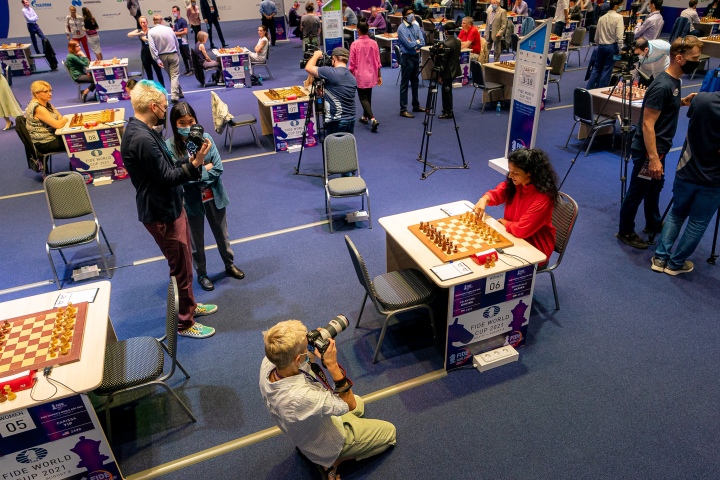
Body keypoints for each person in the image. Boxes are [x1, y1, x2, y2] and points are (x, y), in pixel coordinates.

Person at [122, 80, 218, 339]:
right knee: (181, 270)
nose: (166, 110)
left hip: (170, 208)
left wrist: (187, 161)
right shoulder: (141, 138)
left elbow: (164, 167)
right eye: (164, 107)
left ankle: (191, 306)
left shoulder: (140, 129)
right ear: (153, 106)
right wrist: (196, 163)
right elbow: (167, 177)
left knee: (185, 263)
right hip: (162, 213)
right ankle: (185, 323)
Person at [260, 320, 397, 479]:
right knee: (390, 434)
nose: (309, 344)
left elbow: (304, 363)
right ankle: (334, 461)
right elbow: (349, 404)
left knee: (360, 402)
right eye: (307, 345)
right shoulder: (301, 397)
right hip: (328, 441)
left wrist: (309, 349)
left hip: (305, 429)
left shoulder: (270, 362)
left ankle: (322, 456)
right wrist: (332, 365)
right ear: (297, 359)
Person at [617, 36, 704, 250]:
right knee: (638, 190)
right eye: (695, 57)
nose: (698, 60)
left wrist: (681, 102)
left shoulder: (675, 82)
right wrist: (653, 158)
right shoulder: (662, 85)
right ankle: (625, 230)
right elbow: (647, 125)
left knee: (655, 187)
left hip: (660, 149)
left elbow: (663, 111)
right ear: (680, 58)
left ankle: (653, 222)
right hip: (649, 151)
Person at [166, 102, 244, 291]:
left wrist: (194, 171)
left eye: (190, 121)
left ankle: (229, 265)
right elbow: (180, 179)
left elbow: (218, 168)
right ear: (175, 124)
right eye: (182, 122)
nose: (186, 126)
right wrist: (201, 169)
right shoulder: (169, 146)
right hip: (191, 201)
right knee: (196, 243)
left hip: (214, 196)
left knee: (222, 236)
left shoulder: (206, 138)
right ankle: (202, 274)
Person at [650, 91, 720, 275]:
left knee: (676, 214)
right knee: (697, 222)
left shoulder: (702, 99)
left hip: (686, 171)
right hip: (714, 179)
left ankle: (660, 258)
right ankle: (675, 264)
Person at [474, 148, 558, 267]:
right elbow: (497, 193)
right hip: (511, 235)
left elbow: (522, 229)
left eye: (516, 173)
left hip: (535, 248)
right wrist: (484, 199)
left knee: (489, 261)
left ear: (529, 173)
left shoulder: (543, 197)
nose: (510, 175)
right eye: (510, 170)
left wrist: (505, 223)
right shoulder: (516, 183)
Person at [305, 47, 357, 135]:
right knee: (346, 147)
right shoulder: (351, 77)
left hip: (336, 121)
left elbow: (308, 68)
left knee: (334, 147)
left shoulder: (331, 72)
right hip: (350, 119)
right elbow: (340, 94)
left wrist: (316, 55)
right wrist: (325, 94)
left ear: (334, 59)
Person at [349, 18, 382, 132]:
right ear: (368, 30)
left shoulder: (355, 44)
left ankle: (372, 119)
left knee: (363, 98)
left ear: (358, 30)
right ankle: (364, 117)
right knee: (368, 96)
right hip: (372, 74)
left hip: (360, 75)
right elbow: (378, 62)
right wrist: (379, 75)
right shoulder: (374, 43)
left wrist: (349, 74)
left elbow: (352, 63)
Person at [586, 0, 624, 89]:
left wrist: (600, 44)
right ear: (615, 6)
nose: (621, 7)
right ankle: (600, 91)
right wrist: (621, 49)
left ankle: (589, 89)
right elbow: (619, 36)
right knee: (607, 69)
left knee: (596, 68)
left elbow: (596, 37)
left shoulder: (601, 18)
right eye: (620, 5)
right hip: (612, 48)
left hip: (601, 47)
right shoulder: (619, 17)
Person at [24, 81, 69, 154]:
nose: (50, 94)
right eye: (45, 92)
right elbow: (58, 124)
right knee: (76, 141)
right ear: (36, 94)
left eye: (50, 91)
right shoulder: (38, 108)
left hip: (53, 136)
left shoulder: (46, 102)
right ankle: (76, 164)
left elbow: (59, 116)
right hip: (45, 142)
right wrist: (66, 119)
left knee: (75, 139)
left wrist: (60, 121)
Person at [148, 15, 184, 104]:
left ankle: (179, 92)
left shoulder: (151, 32)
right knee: (174, 75)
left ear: (153, 22)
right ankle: (175, 96)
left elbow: (152, 47)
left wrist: (157, 59)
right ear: (161, 21)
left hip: (162, 56)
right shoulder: (169, 29)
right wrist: (178, 53)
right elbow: (176, 42)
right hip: (173, 54)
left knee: (172, 75)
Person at [398, 7, 426, 118]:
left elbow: (423, 41)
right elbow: (409, 45)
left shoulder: (415, 26)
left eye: (412, 13)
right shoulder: (401, 29)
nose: (412, 15)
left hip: (415, 57)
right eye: (409, 13)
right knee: (405, 84)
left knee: (415, 82)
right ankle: (403, 109)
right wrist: (416, 42)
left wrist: (415, 42)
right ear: (404, 16)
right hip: (406, 58)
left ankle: (416, 105)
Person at [128, 16, 165, 88]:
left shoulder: (151, 30)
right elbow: (129, 34)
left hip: (153, 53)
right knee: (149, 73)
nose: (143, 24)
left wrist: (147, 39)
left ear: (147, 22)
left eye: (144, 22)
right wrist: (139, 33)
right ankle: (152, 89)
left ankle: (163, 87)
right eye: (141, 22)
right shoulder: (139, 31)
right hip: (144, 54)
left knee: (158, 72)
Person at [437, 21, 461, 120]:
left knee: (445, 91)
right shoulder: (458, 41)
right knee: (448, 90)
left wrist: (440, 75)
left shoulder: (446, 44)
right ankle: (448, 109)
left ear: (446, 31)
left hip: (447, 70)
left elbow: (443, 61)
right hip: (455, 68)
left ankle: (447, 111)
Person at [171, 6, 193, 76]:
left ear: (178, 11)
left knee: (188, 56)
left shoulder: (183, 21)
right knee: (183, 56)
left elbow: (185, 31)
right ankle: (187, 69)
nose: (173, 13)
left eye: (174, 11)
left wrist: (176, 33)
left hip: (184, 41)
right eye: (173, 11)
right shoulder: (175, 21)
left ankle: (192, 70)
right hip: (178, 41)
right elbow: (175, 29)